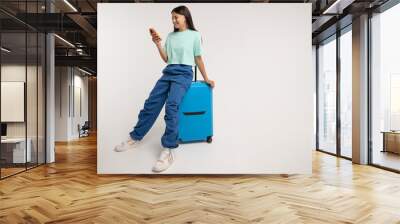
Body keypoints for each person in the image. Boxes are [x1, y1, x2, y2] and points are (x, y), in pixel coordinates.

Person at [114, 5, 215, 173]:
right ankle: (135, 137)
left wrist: (206, 78)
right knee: (151, 104)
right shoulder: (170, 36)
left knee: (171, 107)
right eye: (172, 18)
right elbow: (167, 58)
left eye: (176, 17)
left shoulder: (195, 35)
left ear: (185, 17)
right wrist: (158, 43)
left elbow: (198, 58)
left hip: (184, 74)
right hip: (169, 72)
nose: (174, 20)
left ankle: (169, 150)